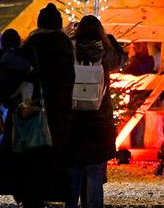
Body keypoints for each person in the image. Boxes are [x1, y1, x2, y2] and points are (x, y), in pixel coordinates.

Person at [0, 3, 75, 208]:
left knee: (30, 162)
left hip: (32, 111)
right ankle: (52, 194)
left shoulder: (32, 44)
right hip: (59, 113)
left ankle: (31, 199)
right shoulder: (65, 45)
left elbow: (13, 73)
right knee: (54, 158)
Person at [67, 15, 126, 208]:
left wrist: (67, 36)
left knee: (73, 173)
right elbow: (122, 59)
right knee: (94, 173)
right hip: (99, 121)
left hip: (74, 120)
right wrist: (108, 38)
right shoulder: (106, 51)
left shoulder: (71, 49)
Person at [0, 29, 32, 106]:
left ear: (2, 42)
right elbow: (26, 66)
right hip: (12, 90)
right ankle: (26, 107)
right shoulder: (18, 53)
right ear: (18, 40)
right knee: (28, 85)